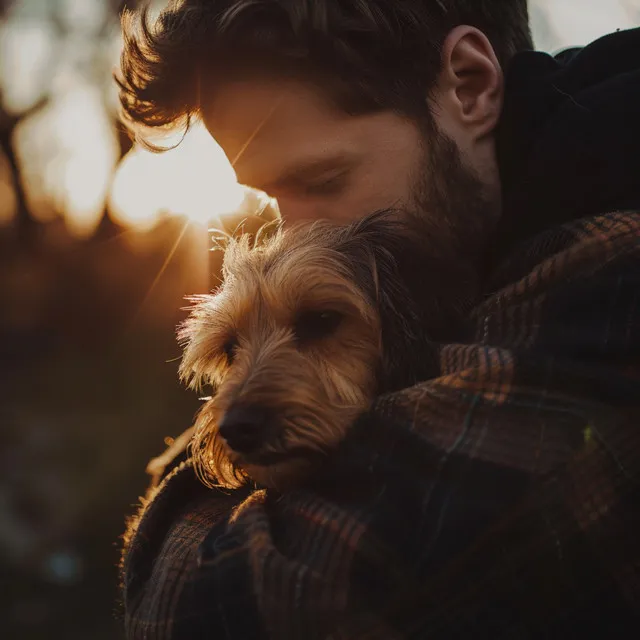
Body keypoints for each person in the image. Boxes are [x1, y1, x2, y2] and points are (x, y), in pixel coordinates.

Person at [117, 1, 640, 638]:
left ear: (470, 86)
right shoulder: (496, 227)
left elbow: (217, 608)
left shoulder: (614, 272)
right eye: (270, 198)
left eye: (322, 178)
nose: (297, 234)